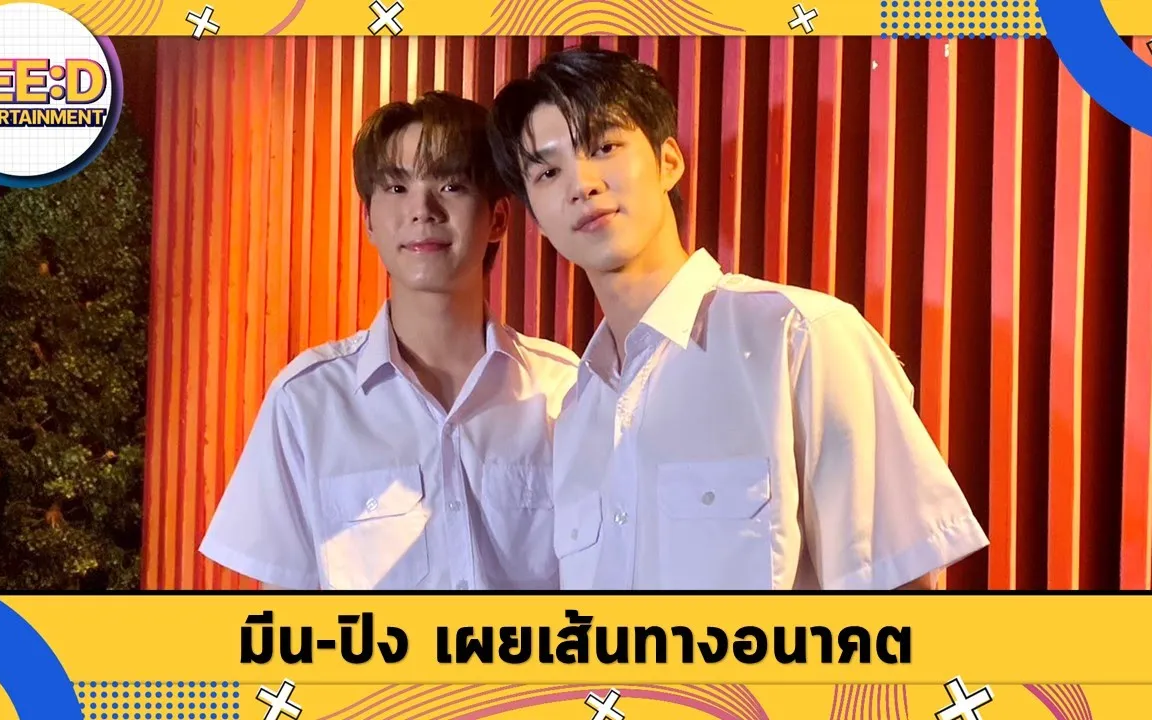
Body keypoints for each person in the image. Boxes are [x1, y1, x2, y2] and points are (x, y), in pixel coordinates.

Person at [487, 48, 990, 591]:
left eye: (604, 147)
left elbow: (898, 592)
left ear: (668, 161)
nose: (581, 184)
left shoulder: (800, 338)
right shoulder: (576, 413)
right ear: (536, 219)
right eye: (548, 171)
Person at [199, 91, 579, 590]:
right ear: (369, 222)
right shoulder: (308, 400)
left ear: (499, 219)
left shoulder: (566, 389)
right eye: (397, 187)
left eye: (451, 184)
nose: (422, 210)